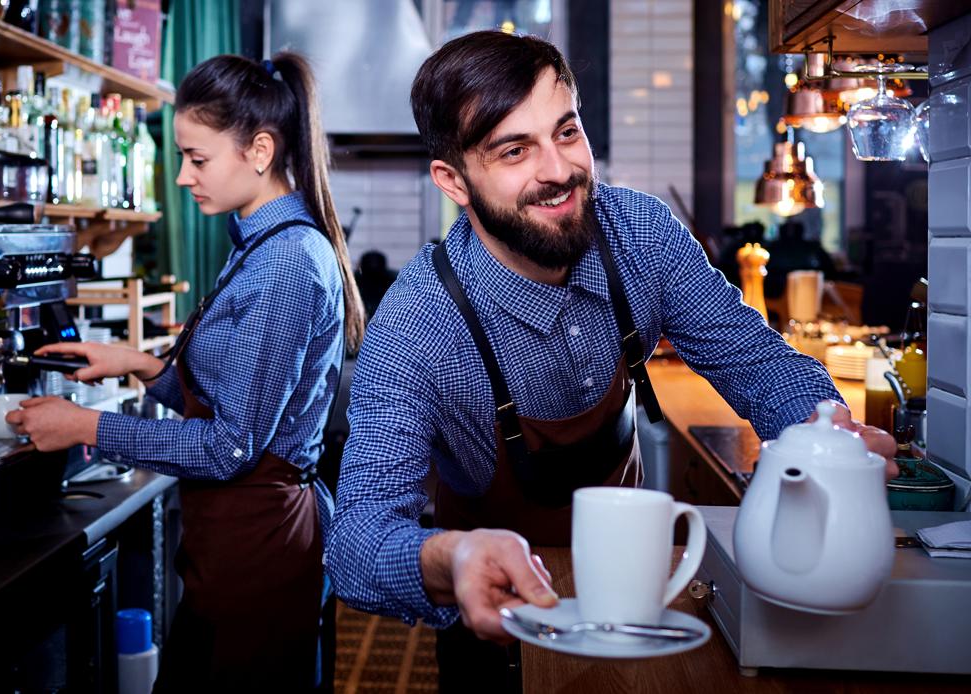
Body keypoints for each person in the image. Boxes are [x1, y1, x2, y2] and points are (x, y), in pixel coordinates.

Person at [324, 31, 897, 693]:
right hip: (498, 625)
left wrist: (825, 431)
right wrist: (449, 555)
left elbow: (755, 359)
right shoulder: (418, 323)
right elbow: (356, 542)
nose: (558, 169)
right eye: (515, 150)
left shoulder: (641, 234)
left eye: (566, 132)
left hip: (635, 601)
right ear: (454, 180)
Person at [6, 52, 365, 691]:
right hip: (236, 553)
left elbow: (230, 445)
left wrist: (86, 425)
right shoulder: (258, 242)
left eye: (196, 159)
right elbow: (238, 403)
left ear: (259, 150)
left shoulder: (285, 265)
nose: (181, 177)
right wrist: (144, 365)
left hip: (262, 556)